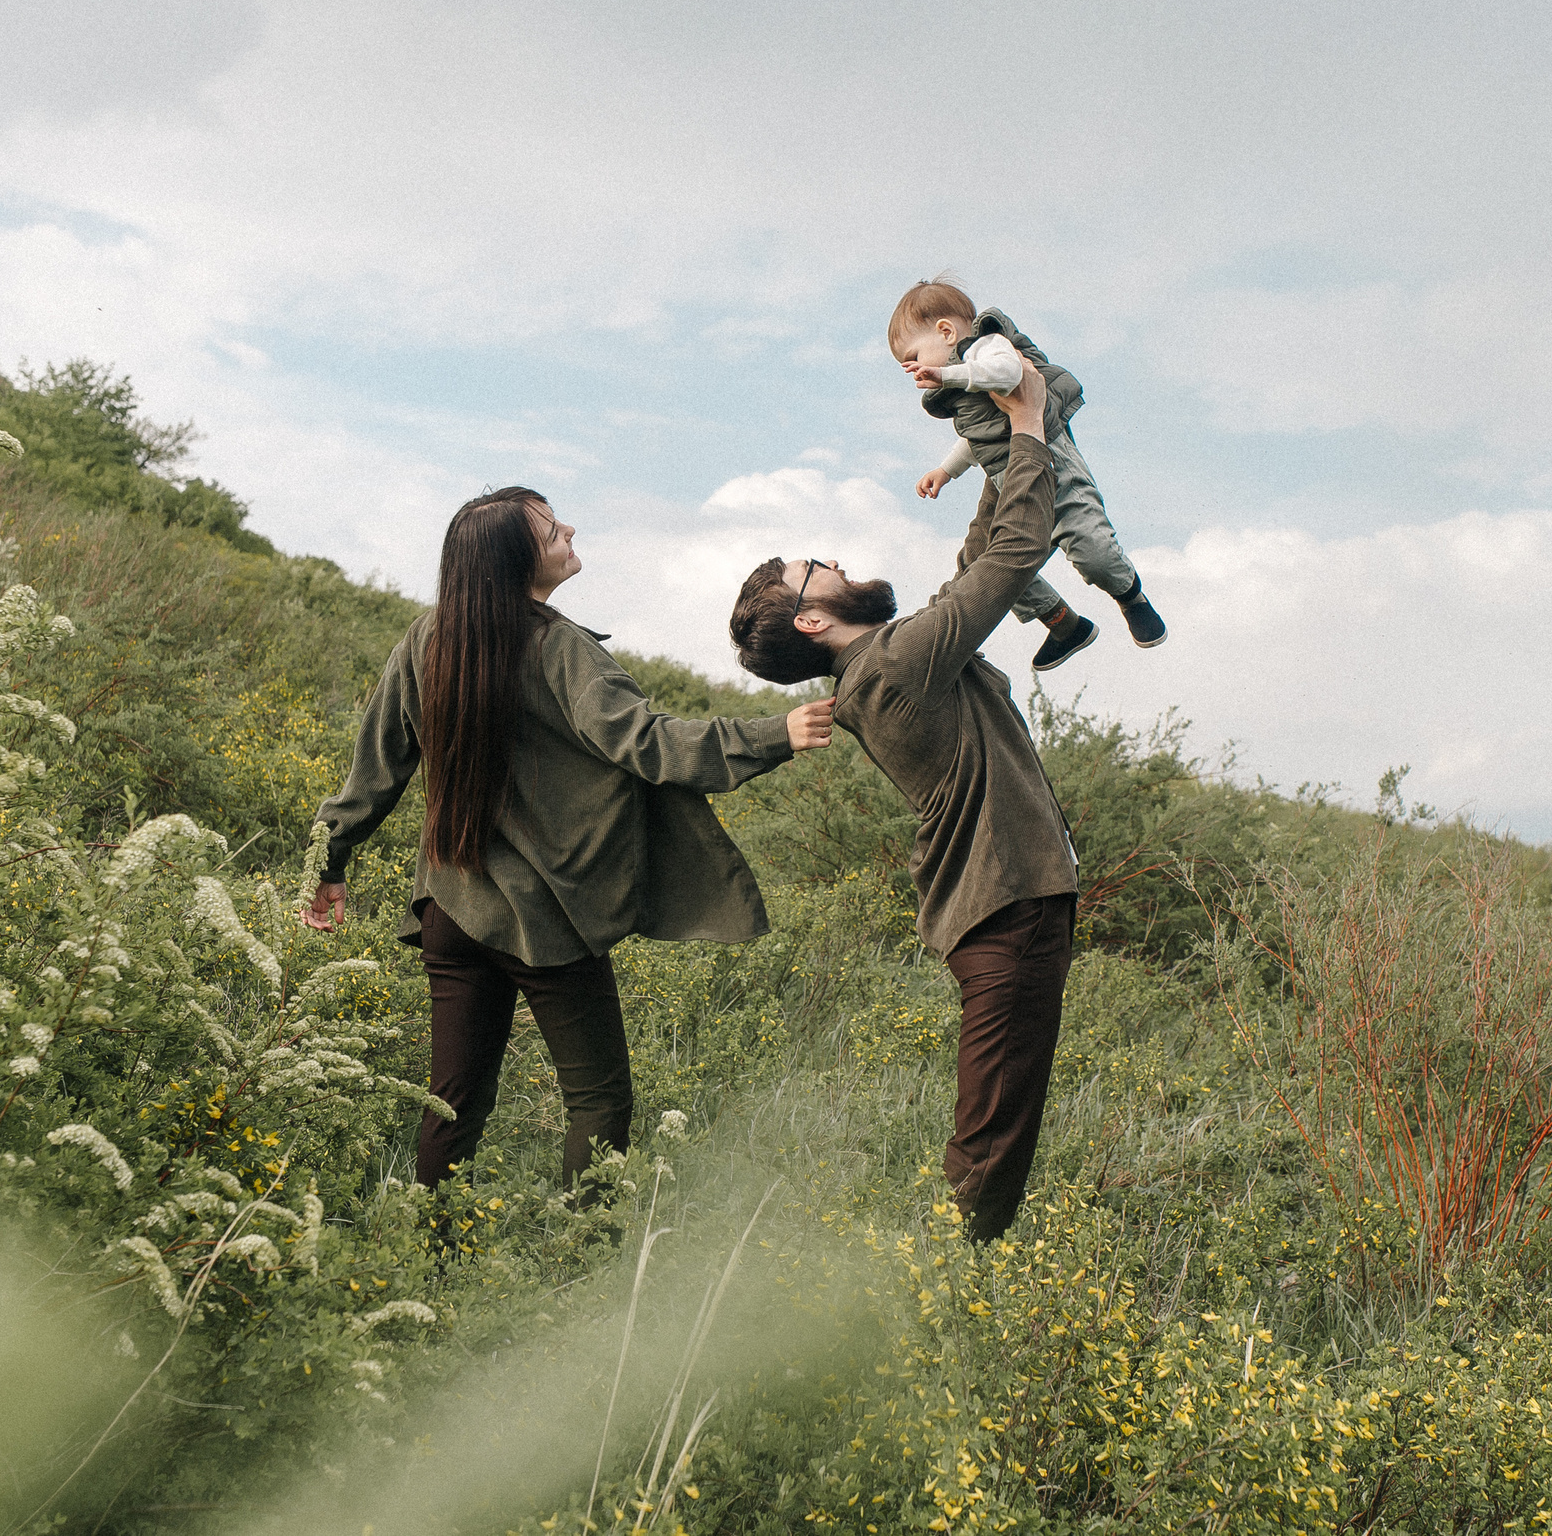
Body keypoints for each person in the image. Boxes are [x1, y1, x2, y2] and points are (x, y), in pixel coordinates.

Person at [300, 487, 834, 1193]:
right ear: (515, 560)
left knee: (452, 1103)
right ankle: (579, 1248)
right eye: (552, 530)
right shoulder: (559, 648)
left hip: (450, 910)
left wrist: (327, 862)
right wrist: (774, 733)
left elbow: (373, 769)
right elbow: (646, 741)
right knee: (599, 1100)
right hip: (543, 919)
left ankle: (425, 1243)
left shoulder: (426, 640)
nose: (569, 531)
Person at [726, 365, 1078, 1241]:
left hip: (1001, 906)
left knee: (995, 1123)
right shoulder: (892, 665)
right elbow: (1010, 560)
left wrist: (994, 451)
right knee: (991, 1137)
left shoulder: (886, 661)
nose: (838, 563)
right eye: (819, 570)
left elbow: (973, 567)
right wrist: (1029, 426)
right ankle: (947, 1286)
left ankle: (950, 1274)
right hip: (1008, 906)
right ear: (811, 620)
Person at [894, 277, 1167, 671]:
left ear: (946, 331)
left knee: (1093, 553)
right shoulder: (964, 383)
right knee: (994, 569)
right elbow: (980, 436)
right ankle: (1064, 625)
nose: (915, 370)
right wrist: (945, 471)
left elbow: (1008, 374)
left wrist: (945, 376)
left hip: (1054, 467)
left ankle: (1130, 597)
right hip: (1011, 481)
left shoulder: (986, 344)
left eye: (914, 356)